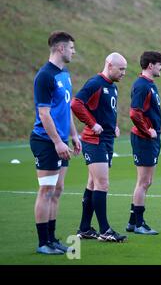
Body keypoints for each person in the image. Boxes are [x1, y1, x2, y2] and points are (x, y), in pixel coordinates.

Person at [30, 31, 81, 254]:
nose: (73, 51)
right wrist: (58, 142)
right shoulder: (45, 76)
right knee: (47, 191)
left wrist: (74, 135)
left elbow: (66, 109)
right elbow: (44, 114)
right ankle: (43, 242)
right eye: (71, 47)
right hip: (46, 141)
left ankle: (52, 239)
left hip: (61, 141)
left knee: (57, 189)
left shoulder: (65, 73)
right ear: (60, 48)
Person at [72, 52, 128, 242]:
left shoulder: (111, 87)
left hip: (106, 140)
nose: (124, 73)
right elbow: (76, 104)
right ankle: (105, 230)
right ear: (109, 65)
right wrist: (91, 123)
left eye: (125, 70)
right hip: (94, 141)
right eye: (121, 69)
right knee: (102, 184)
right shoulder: (95, 83)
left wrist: (114, 126)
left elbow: (107, 110)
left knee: (92, 184)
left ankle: (84, 228)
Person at [125, 51, 161, 235]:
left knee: (147, 182)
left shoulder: (150, 84)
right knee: (143, 181)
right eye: (159, 64)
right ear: (150, 65)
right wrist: (146, 130)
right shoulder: (142, 85)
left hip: (150, 139)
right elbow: (134, 112)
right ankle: (139, 223)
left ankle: (133, 222)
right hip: (144, 139)